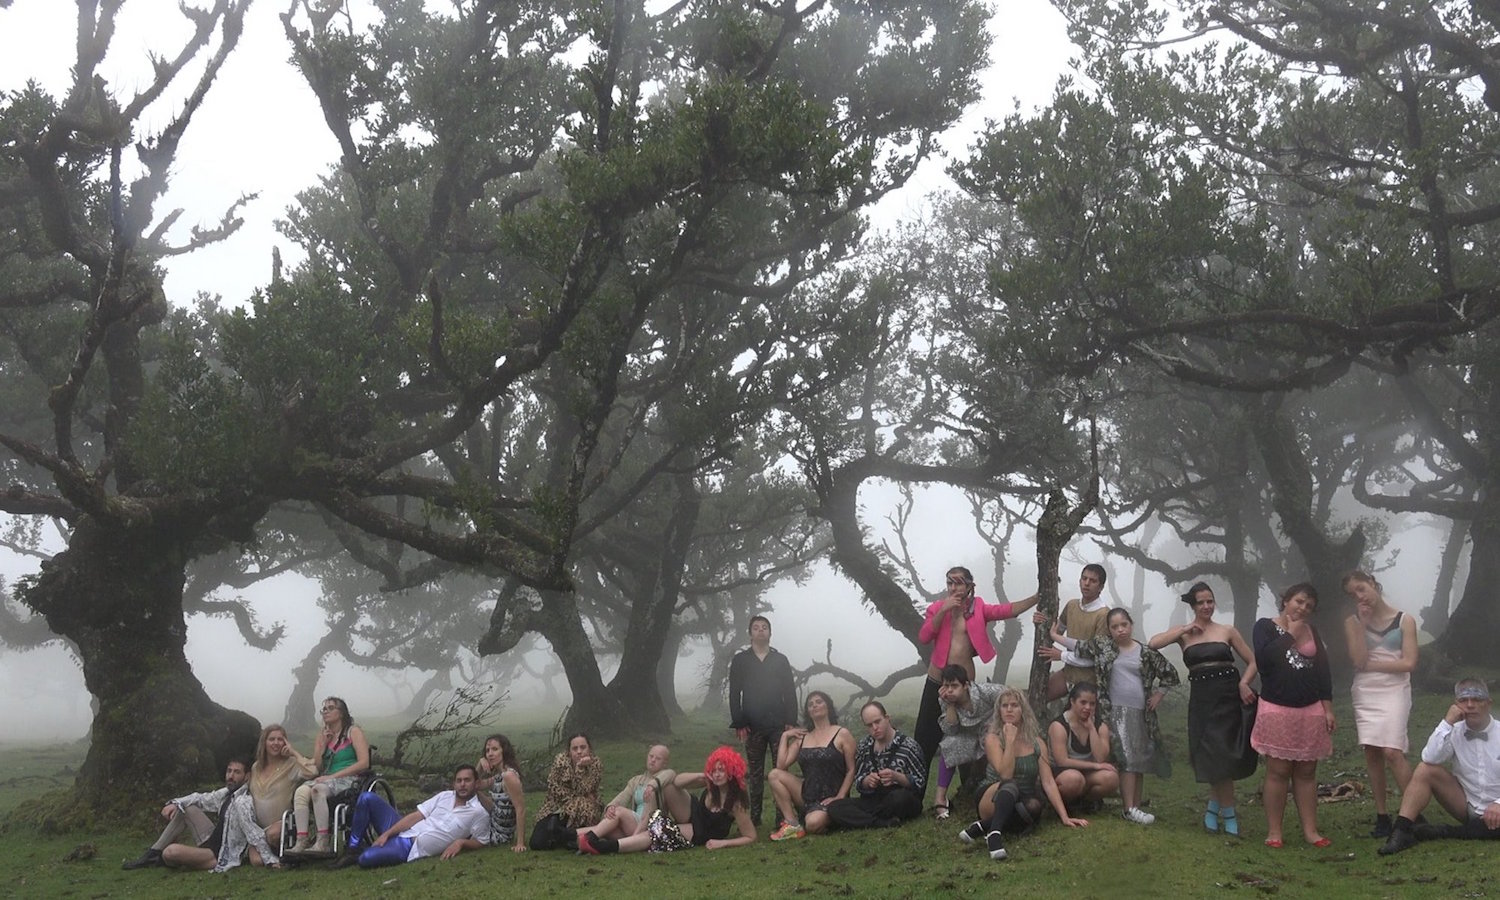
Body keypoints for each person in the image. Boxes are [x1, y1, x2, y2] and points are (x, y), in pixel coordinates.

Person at [915, 566, 1037, 798]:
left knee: (967, 736)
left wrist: (1036, 597)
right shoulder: (936, 608)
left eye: (959, 583)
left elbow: (1007, 610)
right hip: (936, 681)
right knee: (925, 738)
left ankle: (969, 793)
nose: (953, 588)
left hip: (965, 685)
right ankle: (917, 795)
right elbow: (924, 636)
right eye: (950, 583)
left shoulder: (978, 608)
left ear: (970, 585)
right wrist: (944, 611)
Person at [1148, 581, 1259, 836]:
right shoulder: (1184, 633)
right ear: (1193, 605)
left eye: (1210, 601)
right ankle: (1215, 809)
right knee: (1210, 756)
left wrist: (1244, 683)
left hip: (1228, 696)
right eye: (1201, 602)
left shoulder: (1227, 630)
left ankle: (1224, 813)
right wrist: (1185, 628)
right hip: (1201, 699)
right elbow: (1153, 643)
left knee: (1223, 755)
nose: (1207, 606)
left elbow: (1252, 661)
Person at [1050, 607, 1178, 824]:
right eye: (1114, 627)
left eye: (1124, 625)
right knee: (1126, 758)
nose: (1120, 630)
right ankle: (1128, 808)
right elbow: (1079, 647)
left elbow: (1170, 673)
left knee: (1138, 760)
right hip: (1114, 712)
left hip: (1141, 713)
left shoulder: (1145, 652)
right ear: (1109, 630)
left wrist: (1159, 695)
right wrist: (1055, 637)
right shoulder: (1104, 647)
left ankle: (1135, 806)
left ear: (1131, 625)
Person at [1251, 583, 1335, 848]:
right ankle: (1274, 831)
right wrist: (1290, 634)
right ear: (1286, 600)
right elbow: (1264, 662)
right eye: (1299, 601)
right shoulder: (1264, 626)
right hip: (1277, 707)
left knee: (1307, 771)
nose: (1303, 608)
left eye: (1309, 606)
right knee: (1278, 770)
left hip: (1310, 710)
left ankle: (1311, 831)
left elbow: (1323, 671)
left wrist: (1328, 708)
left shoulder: (1313, 631)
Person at [958, 687, 1087, 860]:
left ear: (1023, 711)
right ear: (999, 711)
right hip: (992, 796)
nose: (1009, 709)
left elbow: (1048, 782)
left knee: (1034, 806)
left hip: (1021, 802)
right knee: (1010, 785)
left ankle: (982, 827)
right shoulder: (993, 738)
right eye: (1005, 706)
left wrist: (1065, 817)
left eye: (1014, 705)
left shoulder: (1036, 742)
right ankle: (995, 835)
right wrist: (1010, 741)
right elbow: (1005, 774)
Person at [1379, 678, 1500, 855]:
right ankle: (1401, 831)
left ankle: (1443, 831)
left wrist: (1498, 804)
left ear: (1488, 703)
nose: (1470, 705)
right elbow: (1429, 757)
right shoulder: (1454, 730)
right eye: (1463, 700)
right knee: (1425, 770)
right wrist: (1447, 722)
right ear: (1456, 704)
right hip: (1467, 805)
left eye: (1477, 700)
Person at [1342, 570, 1418, 838]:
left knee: (1393, 751)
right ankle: (1382, 815)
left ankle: (1414, 813)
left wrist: (1373, 665)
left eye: (1361, 589)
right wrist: (1362, 625)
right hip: (1365, 691)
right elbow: (1357, 659)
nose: (1360, 597)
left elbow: (1409, 662)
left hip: (1395, 689)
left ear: (1373, 583)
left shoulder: (1404, 620)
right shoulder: (1352, 622)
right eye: (1353, 595)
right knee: (1372, 751)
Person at [579, 746, 757, 853]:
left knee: (657, 831)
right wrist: (702, 776)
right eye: (715, 769)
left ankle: (601, 847)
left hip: (702, 832)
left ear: (732, 772)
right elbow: (676, 781)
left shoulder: (735, 802)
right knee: (668, 785)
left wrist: (723, 843)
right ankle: (580, 838)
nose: (717, 774)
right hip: (693, 814)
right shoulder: (711, 785)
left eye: (722, 770)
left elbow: (750, 836)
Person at [335, 764, 491, 867]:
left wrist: (461, 842)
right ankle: (352, 849)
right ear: (454, 783)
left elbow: (482, 841)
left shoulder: (478, 812)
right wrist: (387, 834)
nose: (462, 784)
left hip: (410, 846)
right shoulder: (444, 796)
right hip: (403, 828)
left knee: (365, 859)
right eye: (459, 781)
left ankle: (367, 852)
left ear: (476, 784)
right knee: (366, 798)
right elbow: (416, 816)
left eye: (467, 780)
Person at [212, 724, 317, 871]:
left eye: (280, 739)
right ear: (264, 742)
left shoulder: (291, 765)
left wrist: (294, 753)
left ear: (285, 742)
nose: (276, 743)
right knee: (256, 861)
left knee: (274, 835)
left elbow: (312, 772)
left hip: (282, 823)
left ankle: (282, 850)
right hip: (258, 829)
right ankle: (264, 848)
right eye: (271, 739)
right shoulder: (256, 767)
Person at [727, 614, 797, 828]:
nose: (760, 630)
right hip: (752, 724)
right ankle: (755, 817)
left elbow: (789, 691)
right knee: (755, 774)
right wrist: (739, 722)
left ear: (770, 633)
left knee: (780, 771)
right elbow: (734, 692)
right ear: (750, 634)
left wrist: (790, 720)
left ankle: (781, 818)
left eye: (764, 627)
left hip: (778, 724)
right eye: (756, 627)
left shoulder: (780, 660)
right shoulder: (740, 660)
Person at [122, 758, 250, 871]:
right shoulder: (226, 793)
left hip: (219, 854)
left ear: (246, 776)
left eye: (237, 772)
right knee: (186, 808)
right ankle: (153, 853)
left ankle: (181, 859)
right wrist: (174, 803)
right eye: (229, 771)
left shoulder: (247, 799)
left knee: (170, 852)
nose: (231, 776)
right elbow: (199, 798)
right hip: (212, 841)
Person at [767, 690, 856, 840]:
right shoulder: (803, 737)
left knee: (813, 824)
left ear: (827, 706)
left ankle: (826, 818)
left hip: (832, 797)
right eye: (810, 704)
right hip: (807, 795)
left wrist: (840, 796)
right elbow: (781, 765)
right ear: (808, 712)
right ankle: (793, 824)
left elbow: (851, 769)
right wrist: (785, 736)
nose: (814, 706)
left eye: (819, 702)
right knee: (774, 775)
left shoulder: (842, 734)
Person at [288, 696, 370, 855]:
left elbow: (364, 763)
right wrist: (323, 745)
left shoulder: (353, 732)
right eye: (324, 709)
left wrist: (333, 777)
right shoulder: (322, 735)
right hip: (326, 778)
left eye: (330, 708)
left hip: (350, 779)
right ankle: (302, 840)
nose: (325, 711)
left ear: (341, 713)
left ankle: (322, 840)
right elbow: (318, 766)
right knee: (301, 792)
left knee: (317, 790)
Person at [824, 701, 927, 829]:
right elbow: (859, 781)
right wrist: (867, 781)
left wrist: (897, 777)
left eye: (878, 722)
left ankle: (863, 819)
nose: (875, 728)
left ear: (887, 718)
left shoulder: (909, 746)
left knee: (900, 798)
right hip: (873, 800)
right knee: (835, 807)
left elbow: (920, 783)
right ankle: (880, 822)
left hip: (900, 798)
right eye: (869, 725)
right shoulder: (863, 746)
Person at [933, 664, 1004, 818]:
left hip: (994, 730)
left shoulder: (986, 691)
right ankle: (940, 798)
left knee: (995, 744)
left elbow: (1010, 698)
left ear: (966, 685)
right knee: (949, 744)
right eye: (946, 685)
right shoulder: (945, 699)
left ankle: (1001, 790)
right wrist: (950, 704)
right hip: (969, 736)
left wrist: (997, 724)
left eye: (954, 685)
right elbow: (951, 729)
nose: (950, 690)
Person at [1034, 564, 1112, 701]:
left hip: (1090, 680)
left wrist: (1062, 655)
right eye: (1084, 578)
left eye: (1093, 581)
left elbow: (1095, 659)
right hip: (1068, 673)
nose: (1086, 583)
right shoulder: (1072, 605)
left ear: (1101, 587)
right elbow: (1056, 630)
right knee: (1036, 698)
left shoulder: (1104, 615)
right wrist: (1040, 622)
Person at [576, 743, 676, 847]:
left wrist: (652, 786)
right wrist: (611, 807)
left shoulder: (666, 778)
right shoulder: (636, 780)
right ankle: (571, 835)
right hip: (633, 826)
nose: (653, 760)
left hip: (649, 828)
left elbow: (670, 774)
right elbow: (623, 796)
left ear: (664, 763)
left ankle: (588, 839)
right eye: (651, 756)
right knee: (608, 826)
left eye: (658, 758)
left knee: (618, 811)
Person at [1046, 682, 1118, 813]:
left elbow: (1100, 757)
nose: (1087, 707)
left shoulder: (1100, 726)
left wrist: (1091, 729)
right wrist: (1095, 766)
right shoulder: (1059, 726)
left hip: (1087, 774)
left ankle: (1086, 802)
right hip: (1063, 773)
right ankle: (1062, 805)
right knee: (1074, 779)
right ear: (1072, 702)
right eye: (1083, 702)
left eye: (1092, 704)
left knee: (1111, 777)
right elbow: (1062, 761)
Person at [529, 732, 603, 850]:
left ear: (589, 749)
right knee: (537, 843)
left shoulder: (595, 764)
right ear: (569, 751)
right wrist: (575, 799)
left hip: (586, 810)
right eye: (575, 748)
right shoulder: (560, 763)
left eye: (583, 747)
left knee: (584, 806)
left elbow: (586, 788)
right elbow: (554, 787)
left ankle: (569, 836)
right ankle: (561, 834)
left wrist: (580, 769)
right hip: (558, 807)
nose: (579, 752)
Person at [475, 733, 527, 853]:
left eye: (495, 749)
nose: (490, 754)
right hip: (490, 825)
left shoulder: (509, 776)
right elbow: (474, 785)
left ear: (504, 751)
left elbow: (521, 809)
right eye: (487, 751)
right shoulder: (499, 776)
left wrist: (520, 843)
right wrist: (480, 763)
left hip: (499, 836)